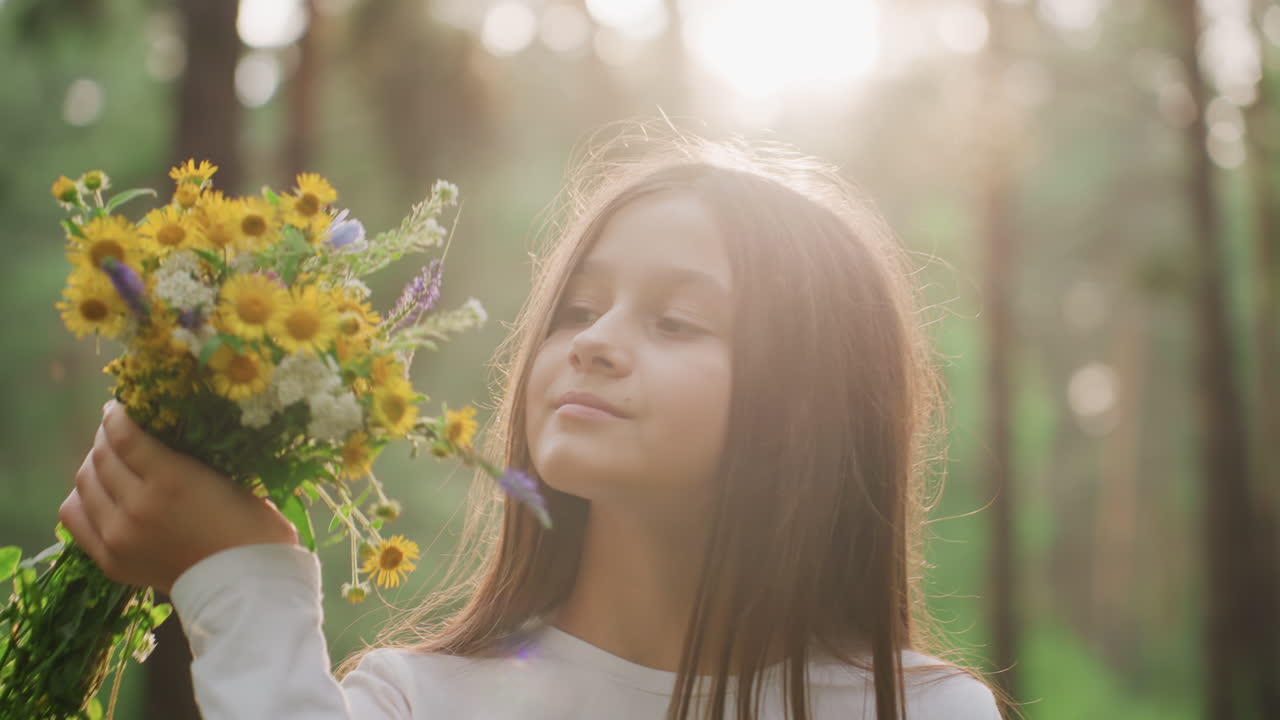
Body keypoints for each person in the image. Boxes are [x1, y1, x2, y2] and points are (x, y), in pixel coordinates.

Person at [59, 129, 1009, 720]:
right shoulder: (415, 703)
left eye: (676, 321)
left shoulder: (926, 712)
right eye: (576, 311)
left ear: (810, 410)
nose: (594, 344)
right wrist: (243, 581)